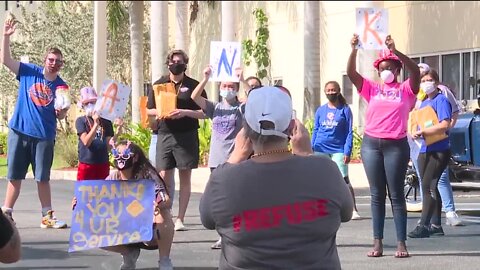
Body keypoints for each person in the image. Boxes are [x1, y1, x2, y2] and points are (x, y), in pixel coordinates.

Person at [199, 86, 353, 269]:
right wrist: (308, 155)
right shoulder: (326, 171)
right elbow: (346, 212)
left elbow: (207, 218)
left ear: (245, 129)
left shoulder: (223, 179)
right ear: (291, 125)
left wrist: (235, 157)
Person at [347, 34, 420, 258]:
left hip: (396, 145)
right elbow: (351, 74)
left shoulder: (406, 90)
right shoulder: (371, 89)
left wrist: (395, 51)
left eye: (390, 67)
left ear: (397, 70)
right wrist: (353, 49)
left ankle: (401, 243)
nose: (386, 71)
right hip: (371, 144)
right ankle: (377, 243)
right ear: (378, 72)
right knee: (376, 194)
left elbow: (416, 71)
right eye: (383, 68)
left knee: (396, 194)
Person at [0, 18, 70, 228]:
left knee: (42, 178)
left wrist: (63, 111)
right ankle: (6, 214)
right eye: (51, 59)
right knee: (14, 175)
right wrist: (6, 36)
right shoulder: (29, 71)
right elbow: (5, 60)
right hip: (20, 131)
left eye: (58, 60)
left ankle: (47, 216)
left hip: (44, 137)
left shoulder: (61, 86)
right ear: (44, 60)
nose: (54, 63)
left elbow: (61, 114)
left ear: (61, 64)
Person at [72, 140, 175, 269]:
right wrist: (80, 203)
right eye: (116, 154)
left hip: (148, 230)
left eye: (125, 155)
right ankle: (129, 253)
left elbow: (166, 200)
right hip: (124, 229)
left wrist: (158, 205)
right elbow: (95, 202)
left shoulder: (148, 176)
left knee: (163, 214)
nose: (120, 158)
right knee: (93, 225)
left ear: (135, 157)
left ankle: (164, 260)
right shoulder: (113, 178)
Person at [146, 49, 207, 231]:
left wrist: (185, 112)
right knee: (164, 175)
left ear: (185, 64)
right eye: (173, 61)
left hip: (187, 135)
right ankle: (166, 213)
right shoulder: (159, 84)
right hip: (164, 134)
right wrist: (163, 111)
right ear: (168, 64)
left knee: (185, 175)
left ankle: (181, 218)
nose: (176, 64)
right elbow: (149, 109)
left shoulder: (193, 84)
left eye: (180, 61)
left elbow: (205, 112)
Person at [191, 66, 244, 249]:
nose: (227, 89)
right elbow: (194, 97)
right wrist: (205, 78)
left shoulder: (241, 108)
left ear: (236, 89)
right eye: (224, 85)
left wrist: (243, 79)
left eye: (231, 86)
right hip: (216, 161)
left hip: (235, 161)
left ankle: (236, 233)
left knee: (235, 198)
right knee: (220, 199)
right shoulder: (216, 108)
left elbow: (253, 101)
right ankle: (223, 234)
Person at [409, 63, 463, 226]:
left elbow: (448, 119)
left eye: (429, 79)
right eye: (422, 79)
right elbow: (414, 117)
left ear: (436, 80)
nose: (426, 82)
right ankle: (434, 222)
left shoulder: (442, 96)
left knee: (435, 182)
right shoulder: (421, 98)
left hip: (438, 145)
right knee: (427, 184)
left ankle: (442, 215)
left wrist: (442, 129)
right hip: (421, 146)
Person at [312, 81, 361, 220]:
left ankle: (353, 209)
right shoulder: (321, 110)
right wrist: (312, 146)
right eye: (328, 90)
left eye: (333, 90)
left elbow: (349, 132)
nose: (330, 92)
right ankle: (322, 208)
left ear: (339, 91)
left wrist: (347, 151)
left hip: (338, 149)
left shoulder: (344, 109)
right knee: (321, 179)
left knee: (343, 178)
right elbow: (316, 129)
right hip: (321, 147)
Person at [75, 86, 124, 181]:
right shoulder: (81, 121)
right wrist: (95, 124)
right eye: (87, 103)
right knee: (83, 194)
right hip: (86, 164)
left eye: (92, 102)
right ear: (83, 106)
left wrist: (118, 131)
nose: (90, 105)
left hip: (102, 163)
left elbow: (109, 145)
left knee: (103, 194)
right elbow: (86, 142)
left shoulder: (106, 121)